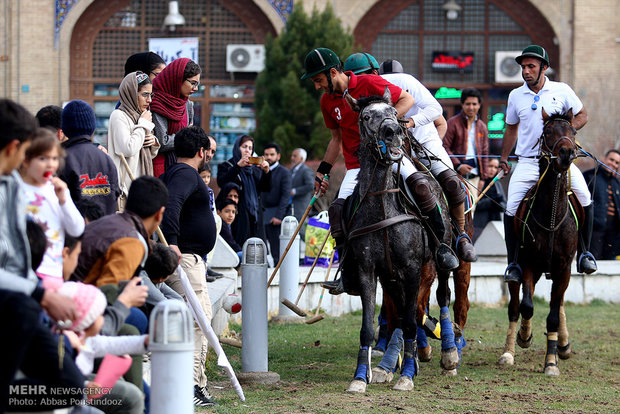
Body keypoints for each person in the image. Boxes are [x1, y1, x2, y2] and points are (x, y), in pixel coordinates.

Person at [0, 99, 84, 413]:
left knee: (70, 387)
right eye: (32, 154)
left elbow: (75, 227)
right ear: (14, 149)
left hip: (29, 291)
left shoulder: (12, 185)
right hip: (21, 299)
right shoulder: (16, 186)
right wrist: (40, 293)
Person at [499, 44, 597, 283]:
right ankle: (513, 263)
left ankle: (585, 253)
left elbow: (582, 114)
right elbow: (511, 128)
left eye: (531, 66)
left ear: (544, 67)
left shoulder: (561, 90)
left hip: (558, 164)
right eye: (523, 67)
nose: (526, 71)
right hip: (528, 163)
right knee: (511, 207)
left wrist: (568, 135)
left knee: (584, 197)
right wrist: (503, 158)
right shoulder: (515, 95)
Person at [373, 57, 477, 262]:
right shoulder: (373, 87)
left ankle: (461, 235)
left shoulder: (410, 82)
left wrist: (412, 122)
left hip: (424, 145)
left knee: (453, 183)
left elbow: (436, 111)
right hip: (392, 149)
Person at [158, 126, 218, 408]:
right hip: (186, 260)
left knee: (197, 320)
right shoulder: (185, 174)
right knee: (198, 322)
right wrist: (171, 242)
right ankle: (191, 386)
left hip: (190, 260)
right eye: (208, 151)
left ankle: (196, 384)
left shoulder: (174, 172)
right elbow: (171, 205)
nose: (208, 156)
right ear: (200, 152)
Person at [58, 281, 146, 414]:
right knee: (132, 397)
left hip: (78, 394)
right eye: (100, 315)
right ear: (87, 322)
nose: (103, 318)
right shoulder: (65, 345)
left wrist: (146, 341)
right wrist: (87, 387)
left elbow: (118, 344)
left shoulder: (85, 339)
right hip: (65, 401)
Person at [71, 176, 168, 286]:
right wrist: (129, 298)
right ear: (160, 214)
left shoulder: (107, 221)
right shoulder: (131, 242)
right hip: (80, 299)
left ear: (126, 203)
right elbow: (109, 293)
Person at [20, 129, 85, 289]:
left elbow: (77, 229)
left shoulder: (58, 190)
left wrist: (64, 200)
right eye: (43, 158)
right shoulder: (17, 189)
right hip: (25, 273)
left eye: (54, 158)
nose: (50, 164)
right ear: (26, 160)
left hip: (54, 273)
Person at [59, 100, 120, 216]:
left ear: (65, 127)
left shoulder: (62, 160)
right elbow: (114, 196)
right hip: (106, 229)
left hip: (78, 231)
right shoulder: (106, 158)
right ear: (92, 126)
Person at [108, 71, 159, 207]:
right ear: (131, 93)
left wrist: (153, 142)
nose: (149, 100)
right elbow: (128, 149)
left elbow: (147, 154)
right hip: (125, 192)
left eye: (151, 95)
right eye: (144, 95)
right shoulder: (119, 115)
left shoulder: (141, 115)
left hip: (141, 190)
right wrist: (142, 126)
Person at [217, 135, 271, 247]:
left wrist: (266, 172)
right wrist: (237, 166)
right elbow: (222, 182)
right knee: (240, 249)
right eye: (244, 146)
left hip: (255, 216)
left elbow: (265, 188)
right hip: (238, 215)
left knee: (256, 251)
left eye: (250, 148)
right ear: (237, 148)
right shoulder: (227, 166)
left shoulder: (255, 169)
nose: (247, 150)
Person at [150, 58, 200, 177]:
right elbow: (162, 142)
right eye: (192, 83)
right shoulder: (157, 102)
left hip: (182, 165)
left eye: (197, 84)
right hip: (160, 168)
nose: (196, 88)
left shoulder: (187, 104)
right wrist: (185, 136)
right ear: (178, 80)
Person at [443, 87, 490, 198]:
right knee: (458, 211)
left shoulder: (482, 126)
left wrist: (483, 178)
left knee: (471, 212)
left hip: (475, 177)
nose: (471, 107)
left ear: (479, 105)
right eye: (467, 104)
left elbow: (485, 153)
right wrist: (458, 165)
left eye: (474, 104)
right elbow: (444, 147)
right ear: (462, 105)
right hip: (456, 175)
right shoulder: (452, 123)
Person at [583, 149, 620, 259]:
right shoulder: (589, 176)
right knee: (593, 262)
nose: (613, 164)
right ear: (604, 159)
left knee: (611, 265)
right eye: (611, 160)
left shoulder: (617, 183)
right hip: (594, 231)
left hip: (613, 234)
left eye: (617, 163)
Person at [261, 142, 292, 264]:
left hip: (276, 215)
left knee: (277, 251)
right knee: (262, 250)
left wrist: (279, 216)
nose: (269, 157)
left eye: (272, 154)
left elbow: (286, 196)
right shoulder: (260, 170)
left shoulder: (284, 172)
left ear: (278, 156)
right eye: (266, 154)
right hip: (262, 214)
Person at [473, 158, 507, 241]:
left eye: (495, 167)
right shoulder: (478, 182)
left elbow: (504, 205)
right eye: (490, 166)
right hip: (479, 222)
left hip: (495, 220)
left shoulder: (497, 184)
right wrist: (490, 201)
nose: (492, 170)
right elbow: (474, 205)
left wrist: (498, 203)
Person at [289, 148, 314, 239]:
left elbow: (310, 185)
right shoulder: (292, 170)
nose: (292, 158)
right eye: (292, 155)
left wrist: (295, 191)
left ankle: (312, 249)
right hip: (291, 206)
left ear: (301, 159)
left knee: (300, 232)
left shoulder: (306, 170)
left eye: (295, 156)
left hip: (301, 206)